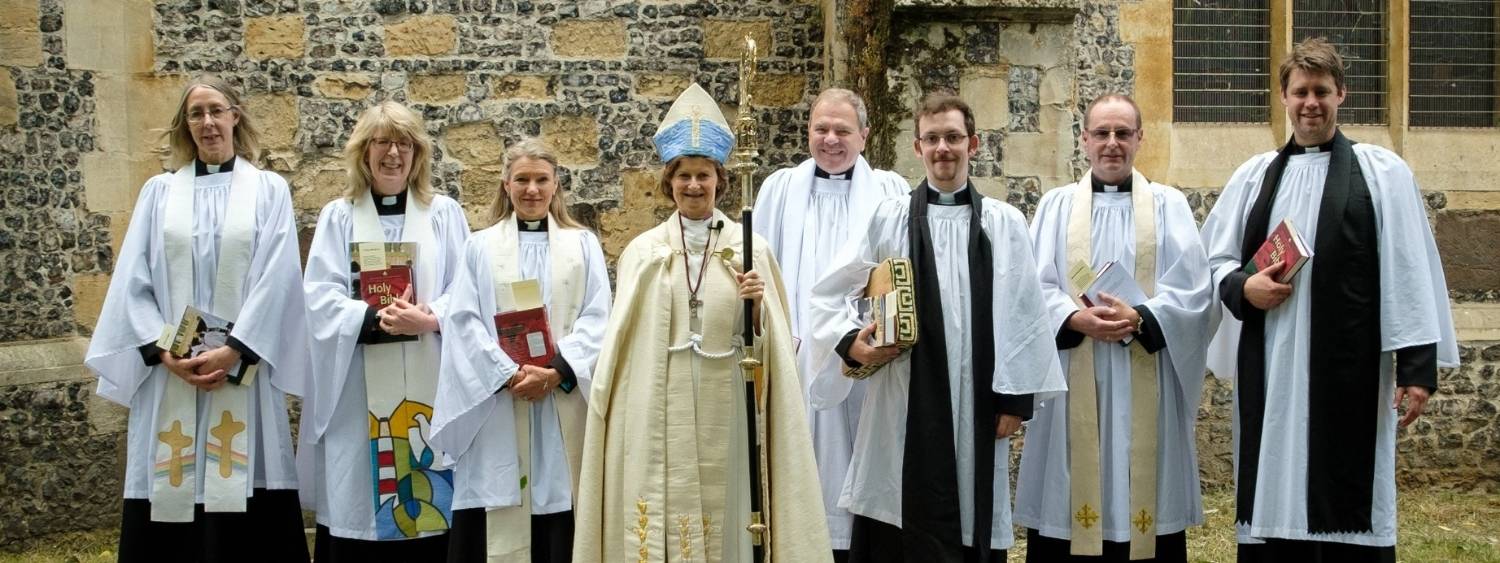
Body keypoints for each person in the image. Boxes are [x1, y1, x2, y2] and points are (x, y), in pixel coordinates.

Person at [1200, 38, 1458, 562]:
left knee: (1348, 497)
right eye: (1300, 92)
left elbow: (1407, 267)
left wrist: (1415, 367)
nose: (1310, 103)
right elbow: (1214, 261)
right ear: (1284, 98)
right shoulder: (1254, 178)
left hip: (1350, 370)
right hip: (1271, 364)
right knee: (1271, 485)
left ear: (1341, 94)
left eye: (1321, 91)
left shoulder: (1380, 174)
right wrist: (1243, 289)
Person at [571, 83, 831, 562]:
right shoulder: (643, 252)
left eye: (704, 175)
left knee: (727, 501)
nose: (694, 185)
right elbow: (623, 350)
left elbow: (770, 349)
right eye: (684, 176)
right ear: (669, 182)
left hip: (725, 398)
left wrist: (755, 304)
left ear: (721, 181)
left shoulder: (750, 246)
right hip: (658, 397)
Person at [809, 92, 1066, 563]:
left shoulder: (1003, 223)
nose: (942, 148)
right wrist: (852, 344)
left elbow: (1025, 313)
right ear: (917, 147)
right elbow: (828, 292)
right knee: (897, 510)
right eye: (932, 139)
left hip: (977, 399)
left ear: (974, 143)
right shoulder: (888, 217)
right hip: (901, 398)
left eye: (952, 137)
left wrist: (1013, 401)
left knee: (971, 507)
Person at [84, 76, 312, 562]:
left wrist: (236, 349)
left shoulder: (268, 190)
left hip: (243, 375)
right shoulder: (159, 192)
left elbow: (279, 278)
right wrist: (162, 351)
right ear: (185, 126)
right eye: (196, 114)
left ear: (235, 116)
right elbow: (132, 280)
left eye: (216, 111)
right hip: (172, 377)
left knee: (247, 496)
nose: (207, 123)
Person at [1015, 94, 1213, 562]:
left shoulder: (1170, 206)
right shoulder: (1056, 206)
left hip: (1146, 377)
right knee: (1070, 493)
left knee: (1143, 491)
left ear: (1140, 138)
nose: (1112, 144)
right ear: (1083, 140)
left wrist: (1142, 318)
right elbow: (1030, 290)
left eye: (1123, 133)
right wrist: (1071, 317)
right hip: (1073, 380)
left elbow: (1195, 292)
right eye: (1101, 133)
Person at [300, 100, 469, 561]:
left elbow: (469, 291)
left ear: (418, 154)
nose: (393, 153)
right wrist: (370, 318)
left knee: (430, 499)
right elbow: (318, 295)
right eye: (382, 142)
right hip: (359, 383)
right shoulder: (340, 215)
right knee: (360, 499)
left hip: (428, 374)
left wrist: (429, 316)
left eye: (404, 143)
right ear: (363, 151)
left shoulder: (444, 214)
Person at [432, 139, 612, 563]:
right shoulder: (480, 246)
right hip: (499, 402)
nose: (532, 190)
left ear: (556, 185)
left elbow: (599, 316)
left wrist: (555, 371)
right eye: (522, 180)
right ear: (506, 184)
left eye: (541, 180)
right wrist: (506, 373)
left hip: (559, 401)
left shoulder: (582, 244)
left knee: (559, 500)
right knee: (497, 507)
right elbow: (463, 321)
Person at [750, 87, 909, 561]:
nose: (831, 139)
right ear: (808, 132)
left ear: (865, 134)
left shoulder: (891, 190)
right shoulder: (779, 189)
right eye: (821, 129)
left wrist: (881, 335)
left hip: (870, 358)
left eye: (843, 130)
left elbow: (899, 275)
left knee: (863, 465)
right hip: (798, 355)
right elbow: (760, 266)